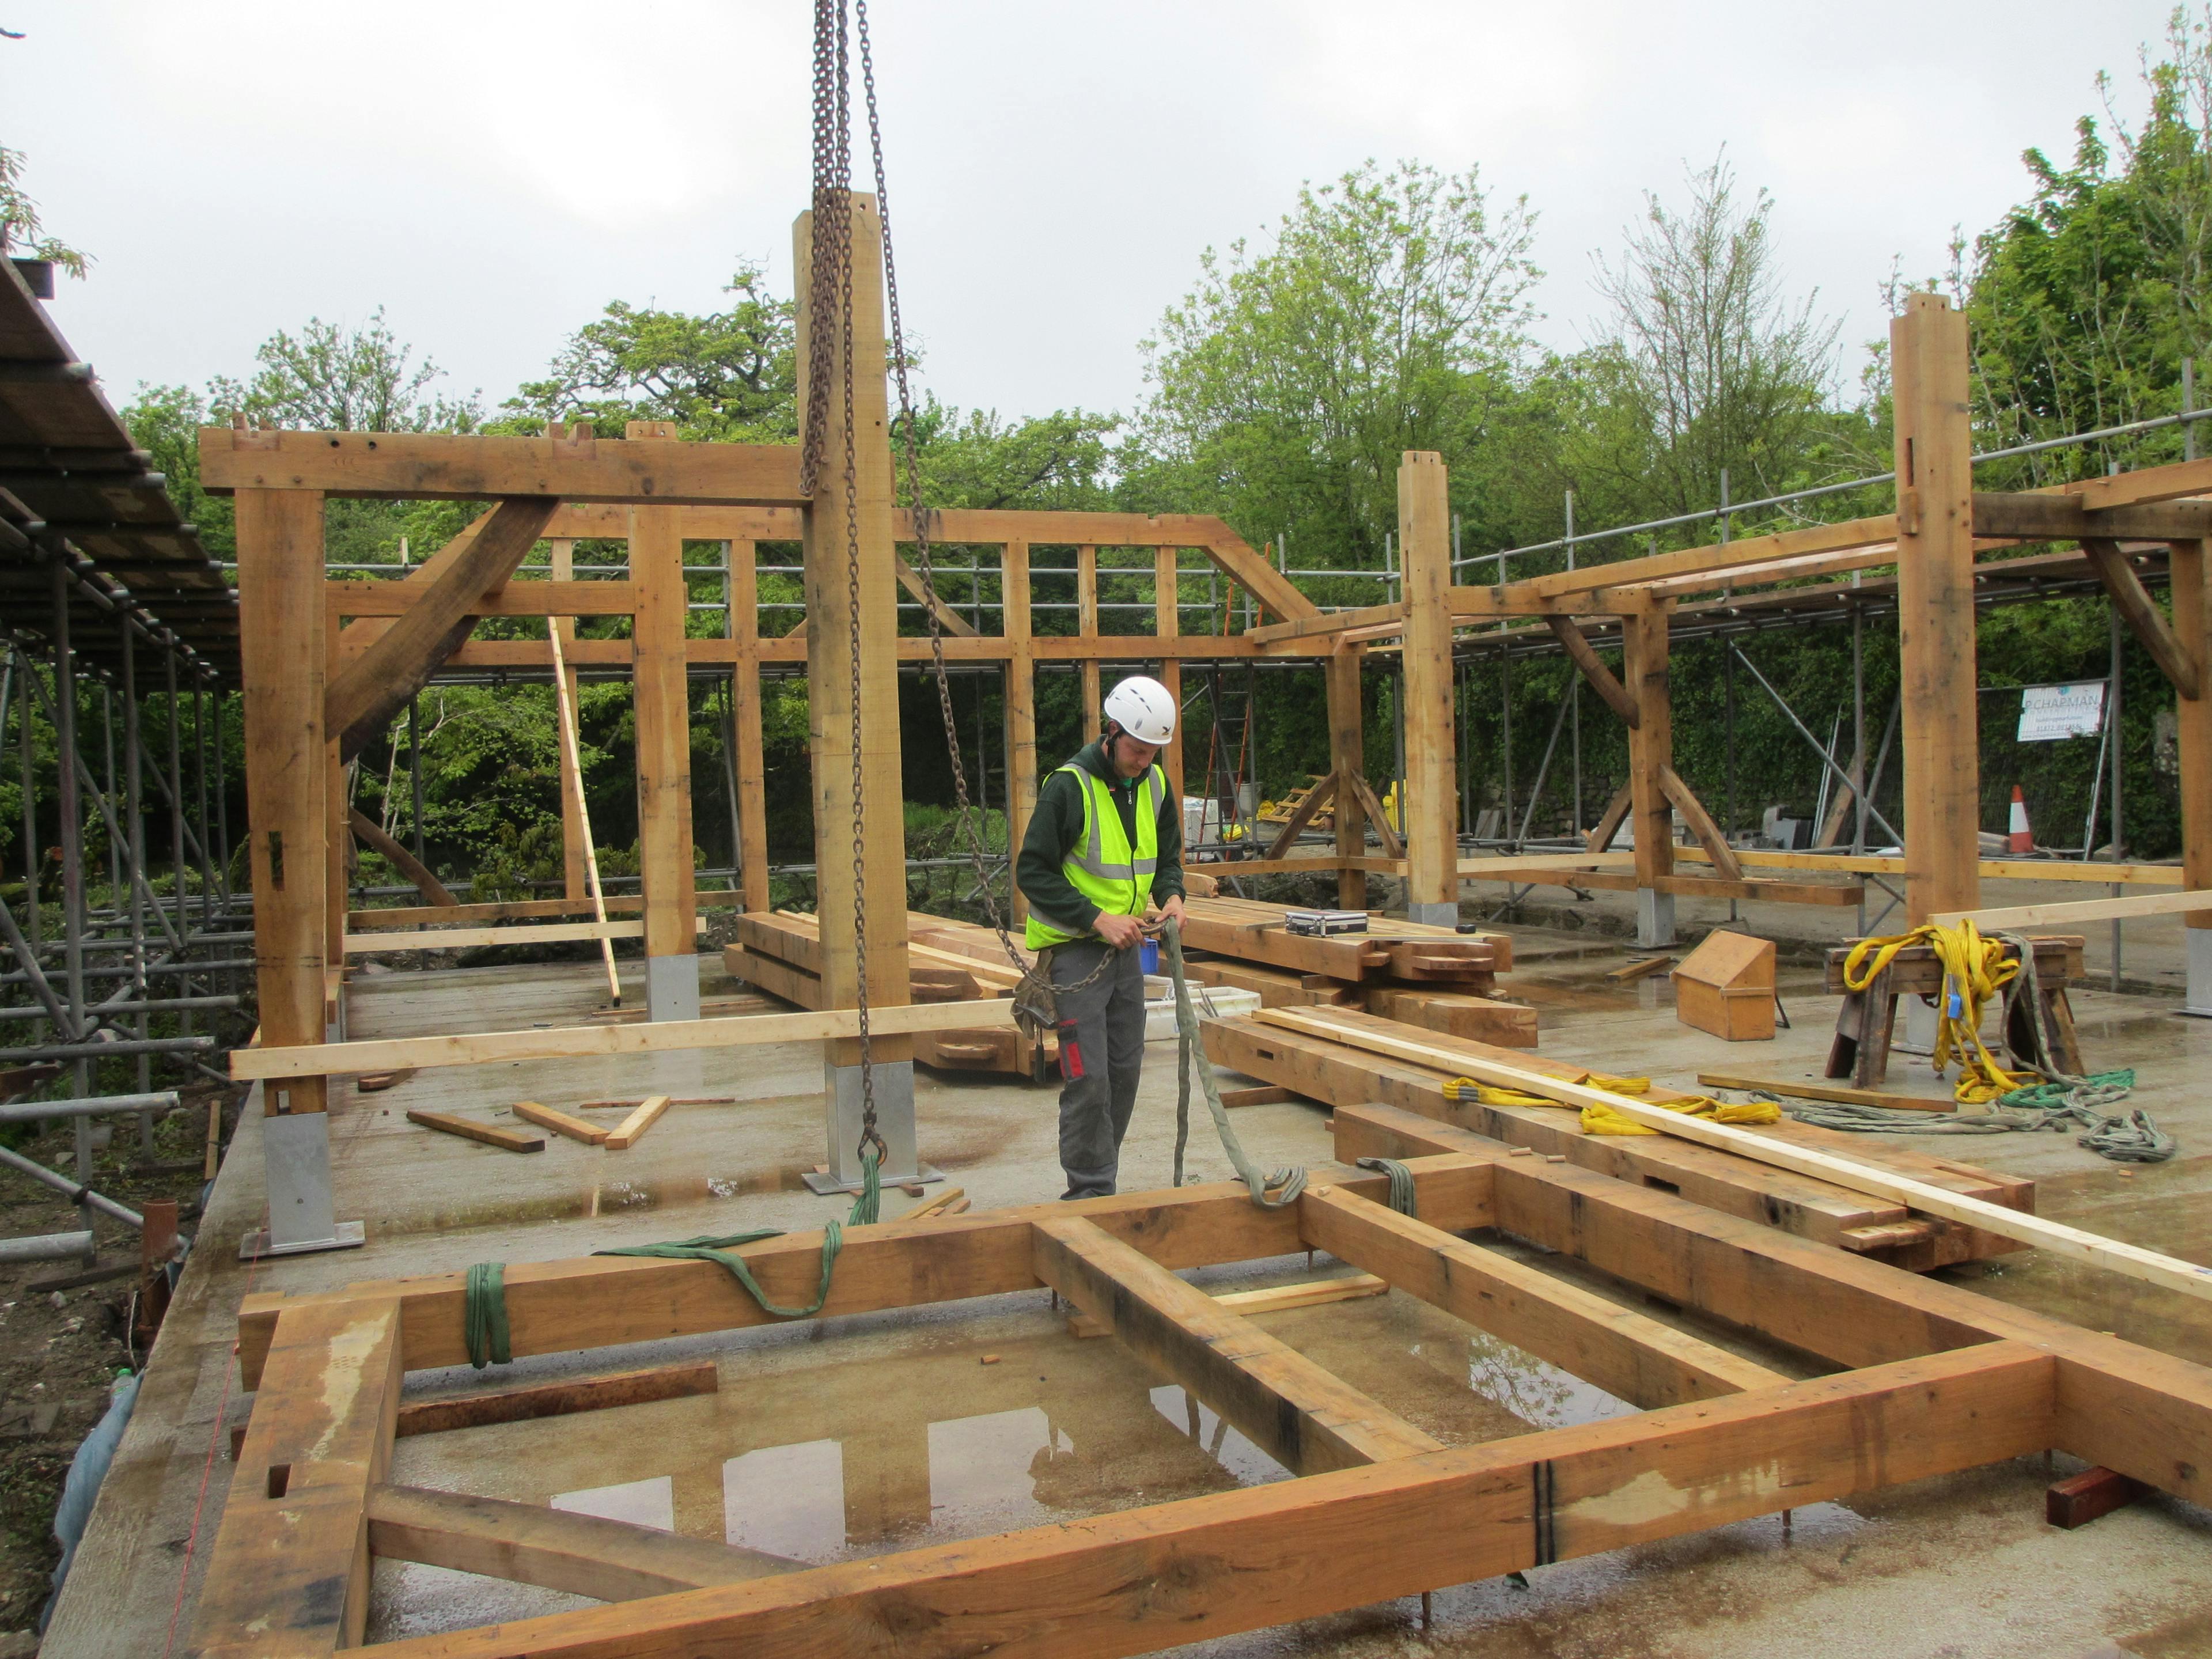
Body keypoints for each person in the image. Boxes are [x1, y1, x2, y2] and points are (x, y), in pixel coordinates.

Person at [1016, 675, 1186, 1198]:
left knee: (1125, 1072)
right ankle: (1090, 1191)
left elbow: (1168, 856)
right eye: (1137, 750)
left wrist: (1174, 895)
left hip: (1127, 954)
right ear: (1111, 733)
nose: (1144, 762)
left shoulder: (1154, 784)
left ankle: (1102, 1179)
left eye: (1154, 753)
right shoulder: (1069, 786)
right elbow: (1033, 872)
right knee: (1088, 1078)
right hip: (1075, 956)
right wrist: (1097, 919)